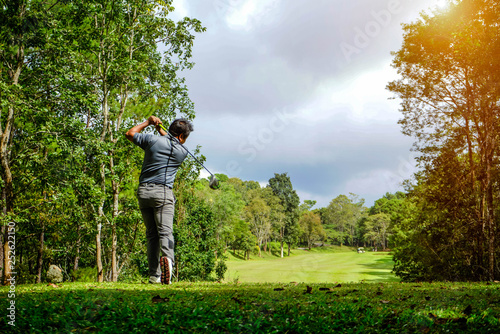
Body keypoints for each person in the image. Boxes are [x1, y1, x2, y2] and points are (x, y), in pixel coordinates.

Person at [125, 115, 193, 284]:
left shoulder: (151, 140)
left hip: (144, 193)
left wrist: (148, 123)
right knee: (165, 233)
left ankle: (154, 275)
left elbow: (130, 133)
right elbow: (170, 141)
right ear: (181, 137)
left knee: (152, 235)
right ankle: (168, 267)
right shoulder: (182, 152)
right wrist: (160, 130)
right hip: (163, 194)